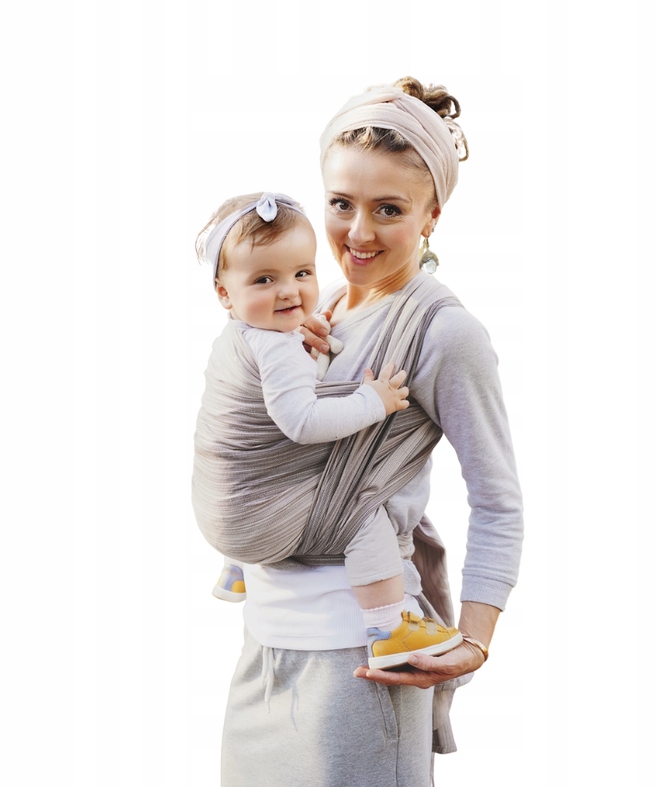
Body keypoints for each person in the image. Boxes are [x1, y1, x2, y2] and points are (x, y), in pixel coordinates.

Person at [217, 77, 524, 787]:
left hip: (357, 670)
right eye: (341, 204)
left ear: (432, 215)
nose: (357, 233)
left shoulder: (445, 334)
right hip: (263, 650)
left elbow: (498, 500)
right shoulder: (310, 308)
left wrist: (476, 640)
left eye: (388, 209)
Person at [192, 191, 463, 669]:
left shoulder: (239, 336)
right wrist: (373, 401)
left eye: (302, 273)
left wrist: (302, 333)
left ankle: (236, 570)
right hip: (255, 522)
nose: (289, 292)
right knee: (360, 507)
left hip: (219, 509)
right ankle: (388, 627)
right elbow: (303, 423)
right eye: (264, 279)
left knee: (257, 461)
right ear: (224, 293)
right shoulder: (277, 348)